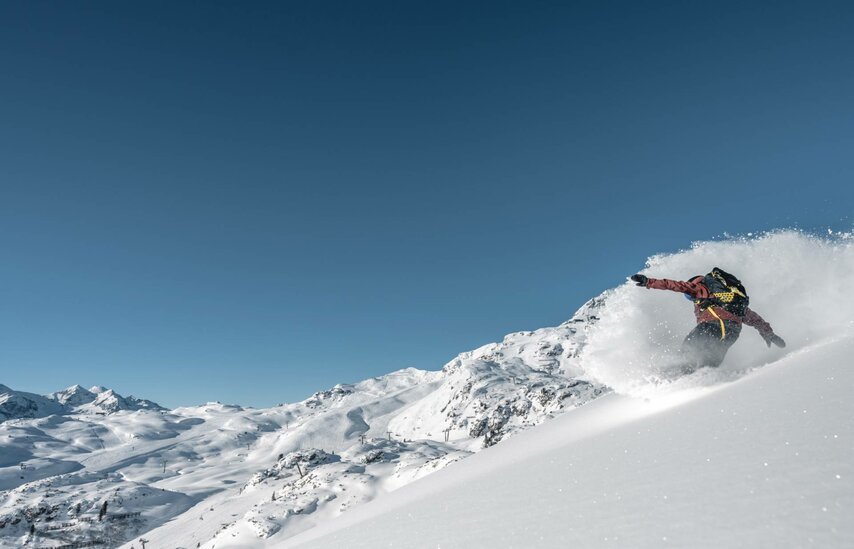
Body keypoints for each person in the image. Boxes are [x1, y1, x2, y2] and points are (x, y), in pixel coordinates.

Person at [630, 267, 785, 373]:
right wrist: (769, 334)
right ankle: (705, 381)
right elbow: (754, 318)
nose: (691, 298)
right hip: (732, 333)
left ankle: (679, 372)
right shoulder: (731, 302)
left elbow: (675, 285)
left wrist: (648, 282)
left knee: (691, 345)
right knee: (710, 361)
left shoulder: (700, 288)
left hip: (715, 325)